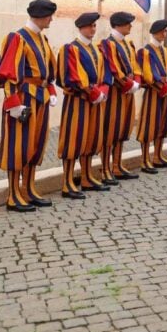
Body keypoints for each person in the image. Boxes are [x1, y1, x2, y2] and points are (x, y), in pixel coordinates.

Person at [0, 0, 58, 212]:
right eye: (49, 15)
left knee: (35, 145)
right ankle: (13, 195)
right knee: (17, 146)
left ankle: (28, 189)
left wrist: (51, 91)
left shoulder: (42, 39)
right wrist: (13, 104)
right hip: (24, 99)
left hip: (41, 98)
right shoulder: (18, 38)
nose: (51, 19)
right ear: (40, 15)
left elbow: (48, 72)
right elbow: (9, 73)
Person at [57, 12, 113, 197]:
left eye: (94, 25)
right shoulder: (70, 49)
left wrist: (102, 92)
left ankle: (87, 177)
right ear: (81, 27)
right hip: (77, 101)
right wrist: (93, 92)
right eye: (89, 26)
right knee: (73, 140)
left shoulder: (97, 50)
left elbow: (105, 75)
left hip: (95, 103)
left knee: (91, 139)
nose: (93, 29)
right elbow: (72, 76)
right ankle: (67, 182)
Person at [98, 12, 142, 184]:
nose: (130, 26)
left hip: (128, 92)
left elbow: (136, 67)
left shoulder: (128, 44)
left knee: (123, 128)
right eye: (128, 23)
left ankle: (117, 164)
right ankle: (105, 168)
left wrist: (136, 82)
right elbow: (113, 68)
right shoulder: (108, 44)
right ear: (119, 24)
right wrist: (127, 83)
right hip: (116, 92)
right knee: (111, 130)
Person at [138, 19, 167, 170]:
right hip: (153, 94)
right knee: (149, 125)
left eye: (166, 31)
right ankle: (145, 159)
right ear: (155, 32)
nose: (165, 34)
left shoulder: (166, 51)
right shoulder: (145, 51)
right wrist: (162, 84)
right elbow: (148, 74)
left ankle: (157, 155)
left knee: (164, 124)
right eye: (163, 31)